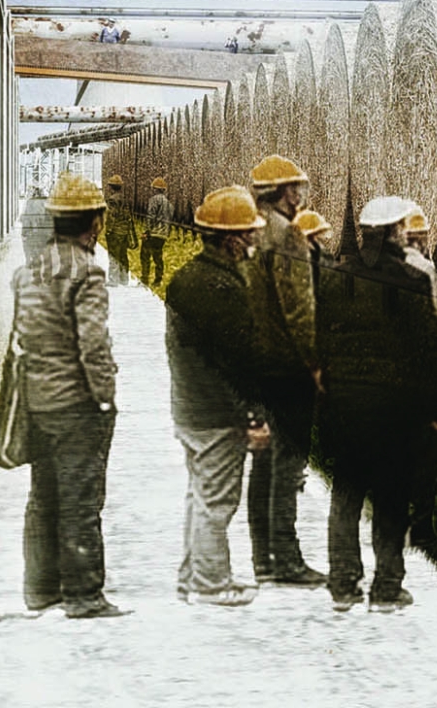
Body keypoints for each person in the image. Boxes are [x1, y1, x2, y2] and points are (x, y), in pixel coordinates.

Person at [317, 196, 437, 612]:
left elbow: (319, 347)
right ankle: (387, 587)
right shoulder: (411, 281)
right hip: (396, 407)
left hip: (346, 405)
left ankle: (343, 584)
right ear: (396, 232)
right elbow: (429, 353)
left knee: (346, 493)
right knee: (391, 495)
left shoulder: (336, 278)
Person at [12, 171, 126, 619]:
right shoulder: (88, 272)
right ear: (93, 222)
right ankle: (83, 595)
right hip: (78, 405)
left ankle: (40, 589)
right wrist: (104, 397)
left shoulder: (30, 271)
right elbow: (92, 344)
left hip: (38, 401)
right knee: (81, 498)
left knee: (43, 496)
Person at [166, 185, 269, 607]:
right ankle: (211, 585)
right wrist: (253, 418)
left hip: (189, 410)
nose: (254, 240)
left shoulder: (185, 277)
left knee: (200, 494)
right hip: (217, 416)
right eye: (248, 233)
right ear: (229, 239)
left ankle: (194, 575)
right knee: (217, 502)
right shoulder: (223, 288)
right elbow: (236, 364)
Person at [241, 156, 326, 588]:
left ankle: (262, 559)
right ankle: (288, 560)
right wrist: (314, 362)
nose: (298, 197)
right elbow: (300, 309)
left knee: (262, 466)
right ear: (277, 193)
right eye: (293, 190)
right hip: (288, 368)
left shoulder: (248, 235)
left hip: (254, 367)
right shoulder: (287, 238)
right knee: (289, 466)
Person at [400, 207, 437, 550]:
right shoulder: (425, 272)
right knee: (429, 450)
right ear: (420, 239)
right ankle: (421, 525)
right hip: (420, 375)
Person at [102, 175, 134, 285]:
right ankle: (124, 279)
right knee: (123, 255)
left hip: (115, 232)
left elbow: (112, 217)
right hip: (124, 231)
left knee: (113, 255)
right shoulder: (125, 199)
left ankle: (113, 280)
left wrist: (108, 230)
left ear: (111, 187)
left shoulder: (112, 200)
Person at [143, 177, 173, 285]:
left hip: (153, 233)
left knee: (145, 255)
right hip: (163, 235)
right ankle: (158, 280)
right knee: (158, 257)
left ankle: (145, 278)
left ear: (155, 189)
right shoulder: (169, 204)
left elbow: (150, 216)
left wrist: (146, 231)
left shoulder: (153, 200)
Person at [21, 184, 54, 264]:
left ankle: (30, 262)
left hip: (33, 234)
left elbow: (26, 219)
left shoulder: (30, 203)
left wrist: (24, 233)